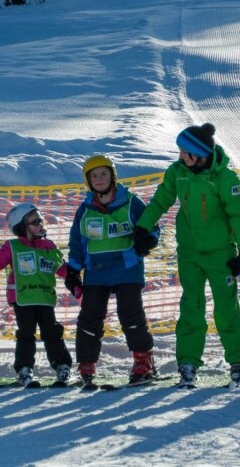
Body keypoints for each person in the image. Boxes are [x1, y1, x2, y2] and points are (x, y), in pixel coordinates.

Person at [133, 123, 240, 388]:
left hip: (221, 253)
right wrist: (143, 227)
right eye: (180, 151)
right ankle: (187, 364)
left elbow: (237, 214)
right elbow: (160, 201)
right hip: (189, 253)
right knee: (191, 308)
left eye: (186, 152)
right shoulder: (178, 173)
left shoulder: (224, 178)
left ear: (200, 154)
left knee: (227, 308)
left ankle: (239, 362)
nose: (181, 157)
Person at [67, 155, 160, 385]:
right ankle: (86, 365)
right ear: (88, 181)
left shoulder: (131, 202)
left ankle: (143, 362)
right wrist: (73, 269)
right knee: (90, 317)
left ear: (113, 176)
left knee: (130, 314)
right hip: (96, 271)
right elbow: (77, 241)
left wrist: (147, 240)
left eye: (103, 174)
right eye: (94, 176)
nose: (99, 179)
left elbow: (152, 225)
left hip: (127, 268)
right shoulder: (85, 209)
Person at [0, 203, 76, 387]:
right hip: (23, 299)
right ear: (21, 227)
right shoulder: (13, 247)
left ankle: (63, 366)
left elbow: (63, 269)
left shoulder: (49, 247)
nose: (40, 224)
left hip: (44, 299)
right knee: (26, 334)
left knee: (52, 333)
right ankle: (24, 369)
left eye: (40, 219)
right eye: (34, 222)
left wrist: (77, 283)